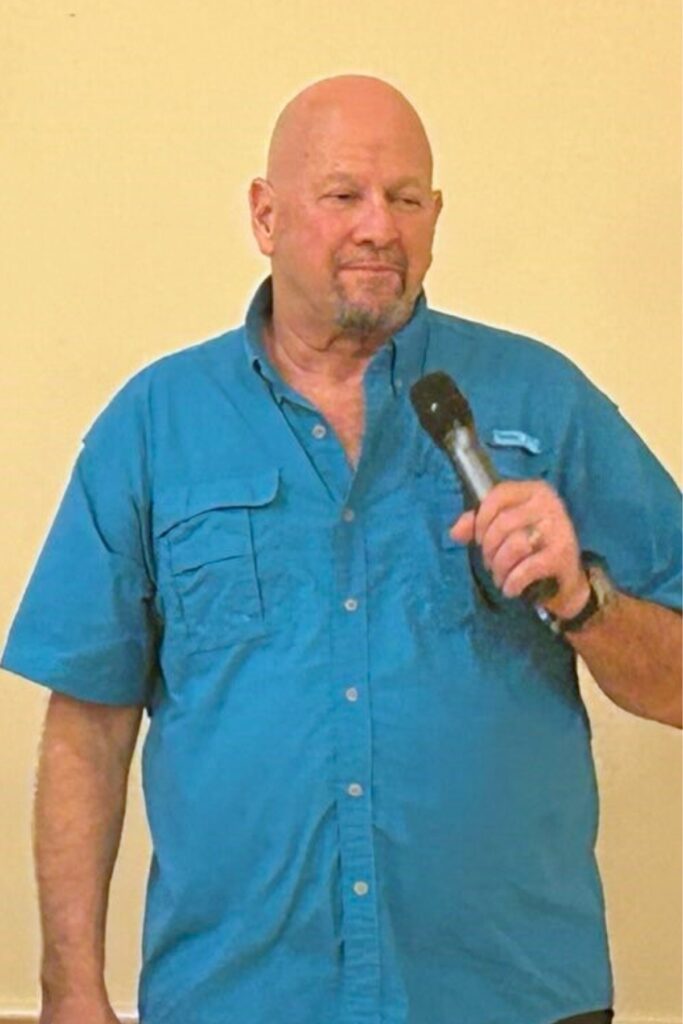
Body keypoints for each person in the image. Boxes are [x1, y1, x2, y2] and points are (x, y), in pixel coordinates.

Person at [1, 74, 680, 1024]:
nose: (378, 226)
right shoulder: (155, 425)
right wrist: (70, 987)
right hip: (235, 1000)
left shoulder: (542, 402)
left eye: (405, 199)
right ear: (265, 215)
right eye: (343, 195)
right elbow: (88, 728)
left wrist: (584, 600)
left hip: (512, 997)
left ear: (436, 216)